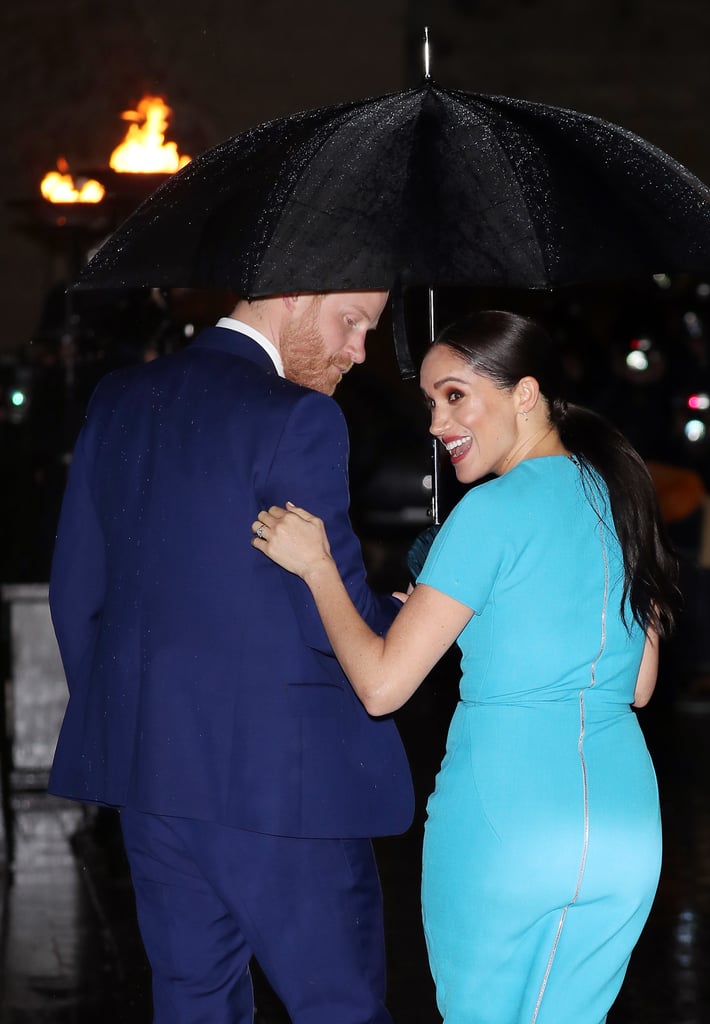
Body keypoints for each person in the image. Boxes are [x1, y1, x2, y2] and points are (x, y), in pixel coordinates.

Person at [251, 310, 679, 1024]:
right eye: (428, 402)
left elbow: (383, 687)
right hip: (625, 824)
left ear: (524, 394)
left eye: (454, 395)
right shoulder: (620, 496)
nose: (435, 422)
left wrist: (319, 568)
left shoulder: (488, 512)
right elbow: (637, 684)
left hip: (506, 815)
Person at [47, 289, 414, 1024]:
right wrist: (400, 618)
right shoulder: (299, 415)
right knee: (337, 1007)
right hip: (283, 788)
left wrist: (133, 725)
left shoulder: (119, 398)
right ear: (296, 298)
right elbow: (326, 612)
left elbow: (75, 590)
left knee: (192, 1005)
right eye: (351, 323)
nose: (357, 351)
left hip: (150, 777)